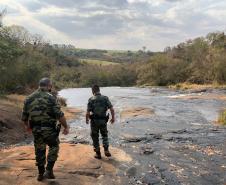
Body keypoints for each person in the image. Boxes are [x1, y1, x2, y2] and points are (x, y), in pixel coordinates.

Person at [21, 78, 69, 181]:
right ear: (48, 86)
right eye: (50, 86)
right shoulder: (51, 98)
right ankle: (49, 170)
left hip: (36, 130)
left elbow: (24, 117)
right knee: (54, 146)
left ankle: (41, 174)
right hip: (49, 130)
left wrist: (28, 126)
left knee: (39, 150)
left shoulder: (28, 98)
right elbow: (59, 115)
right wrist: (66, 126)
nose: (51, 88)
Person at [86, 85, 115, 159]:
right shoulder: (105, 98)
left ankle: (98, 154)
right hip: (103, 121)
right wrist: (113, 118)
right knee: (104, 135)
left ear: (93, 91)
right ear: (99, 90)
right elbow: (111, 109)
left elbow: (88, 112)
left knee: (95, 136)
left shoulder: (91, 99)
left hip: (94, 122)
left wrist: (87, 119)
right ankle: (106, 150)